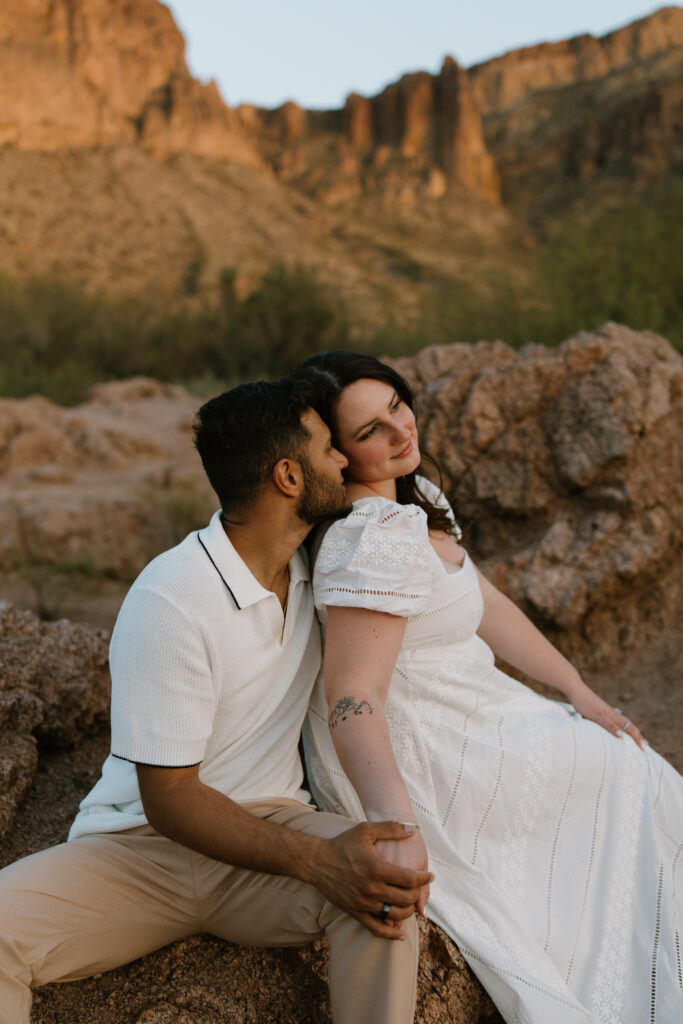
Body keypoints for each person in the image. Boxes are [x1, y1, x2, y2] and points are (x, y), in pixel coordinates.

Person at [0, 377, 429, 1024]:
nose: (345, 459)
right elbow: (170, 800)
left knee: (382, 895)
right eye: (327, 451)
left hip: (271, 826)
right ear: (287, 476)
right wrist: (319, 862)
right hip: (141, 850)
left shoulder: (326, 561)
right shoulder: (170, 598)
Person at [295, 350, 683, 1024]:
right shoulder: (369, 538)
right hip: (430, 750)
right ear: (337, 456)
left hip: (481, 709)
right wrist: (397, 826)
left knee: (626, 758)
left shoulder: (415, 500)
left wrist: (578, 691)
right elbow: (351, 696)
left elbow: (487, 603)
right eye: (370, 432)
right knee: (629, 777)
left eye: (395, 405)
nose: (398, 430)